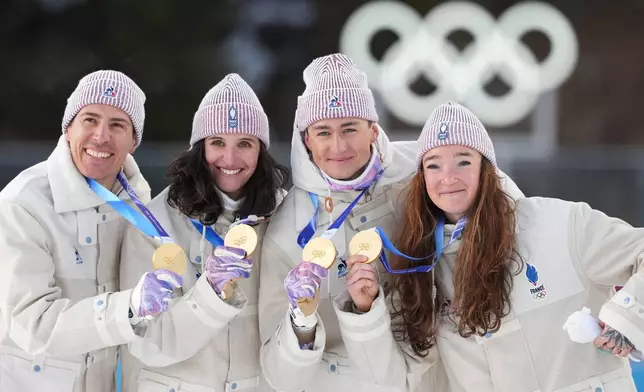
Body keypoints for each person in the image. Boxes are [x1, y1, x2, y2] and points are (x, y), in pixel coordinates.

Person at [332, 101, 644, 392]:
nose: (448, 177)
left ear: (487, 170)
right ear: (421, 178)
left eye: (463, 161)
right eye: (434, 165)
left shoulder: (559, 224)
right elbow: (391, 378)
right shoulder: (420, 269)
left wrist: (628, 318)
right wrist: (364, 310)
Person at [257, 54, 523, 391]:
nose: (338, 146)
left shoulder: (426, 164)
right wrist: (301, 319)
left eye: (350, 128)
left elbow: (512, 210)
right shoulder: (287, 229)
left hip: (454, 371)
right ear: (306, 138)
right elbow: (279, 376)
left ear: (373, 129)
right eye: (323, 132)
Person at [0, 70, 182, 392]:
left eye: (117, 125)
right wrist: (129, 306)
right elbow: (33, 325)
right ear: (68, 128)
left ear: (133, 142)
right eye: (89, 120)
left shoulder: (142, 209)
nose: (101, 136)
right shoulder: (23, 203)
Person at [119, 73, 289, 392]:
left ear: (260, 151)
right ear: (199, 148)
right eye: (218, 143)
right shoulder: (154, 224)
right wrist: (209, 293)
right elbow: (146, 344)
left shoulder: (285, 215)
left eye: (245, 144)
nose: (230, 159)